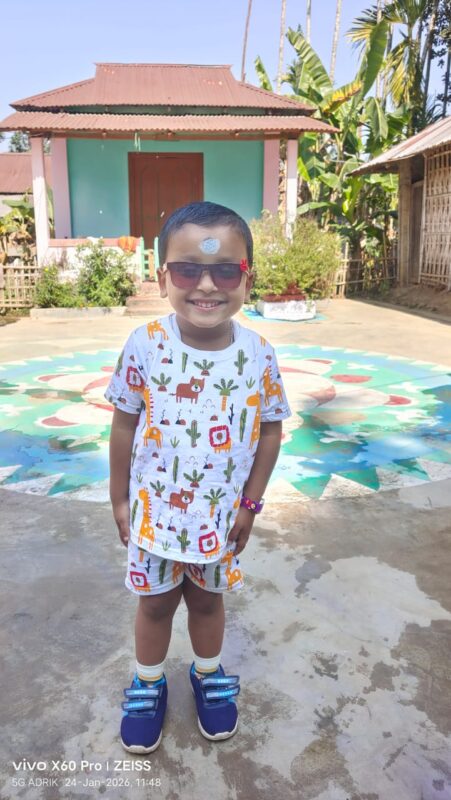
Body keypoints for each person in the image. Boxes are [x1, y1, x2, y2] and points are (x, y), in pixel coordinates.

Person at [105, 201, 291, 753]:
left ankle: (208, 673)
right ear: (163, 277)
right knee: (155, 604)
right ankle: (148, 681)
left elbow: (270, 432)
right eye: (188, 270)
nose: (206, 285)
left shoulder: (258, 355)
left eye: (225, 270)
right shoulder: (145, 345)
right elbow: (123, 425)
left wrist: (250, 505)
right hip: (154, 517)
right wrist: (119, 500)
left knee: (208, 603)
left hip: (219, 521)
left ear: (247, 279)